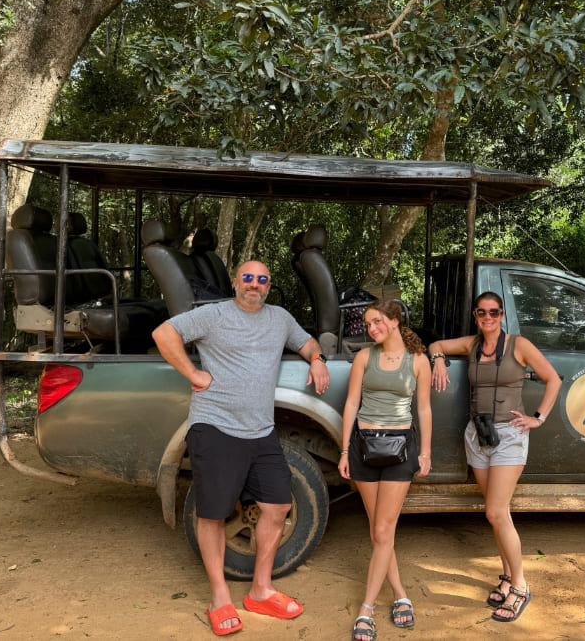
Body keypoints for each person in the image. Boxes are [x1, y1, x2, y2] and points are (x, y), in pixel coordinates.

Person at [152, 260, 330, 636]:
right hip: (215, 427)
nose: (254, 284)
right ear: (235, 283)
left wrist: (317, 360)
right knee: (213, 514)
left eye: (262, 279)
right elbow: (164, 334)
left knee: (278, 505)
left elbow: (307, 341)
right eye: (247, 278)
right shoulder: (213, 315)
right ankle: (220, 596)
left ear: (268, 286)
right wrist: (194, 373)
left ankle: (261, 590)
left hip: (261, 431)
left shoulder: (279, 318)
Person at [428, 291, 561, 623]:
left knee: (496, 511)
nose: (488, 317)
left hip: (509, 436)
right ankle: (505, 576)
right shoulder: (472, 344)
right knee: (495, 515)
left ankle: (520, 586)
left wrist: (538, 417)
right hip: (477, 434)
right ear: (476, 314)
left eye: (494, 312)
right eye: (482, 312)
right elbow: (436, 345)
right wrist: (438, 360)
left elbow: (553, 379)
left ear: (502, 315)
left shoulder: (519, 345)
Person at [338, 299, 432, 641]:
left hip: (400, 449)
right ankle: (401, 594)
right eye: (368, 324)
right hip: (364, 446)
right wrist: (345, 449)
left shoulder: (417, 360)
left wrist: (425, 452)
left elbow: (423, 408)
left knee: (382, 530)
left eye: (377, 322)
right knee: (381, 534)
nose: (372, 329)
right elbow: (351, 403)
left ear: (394, 321)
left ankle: (366, 609)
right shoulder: (364, 358)